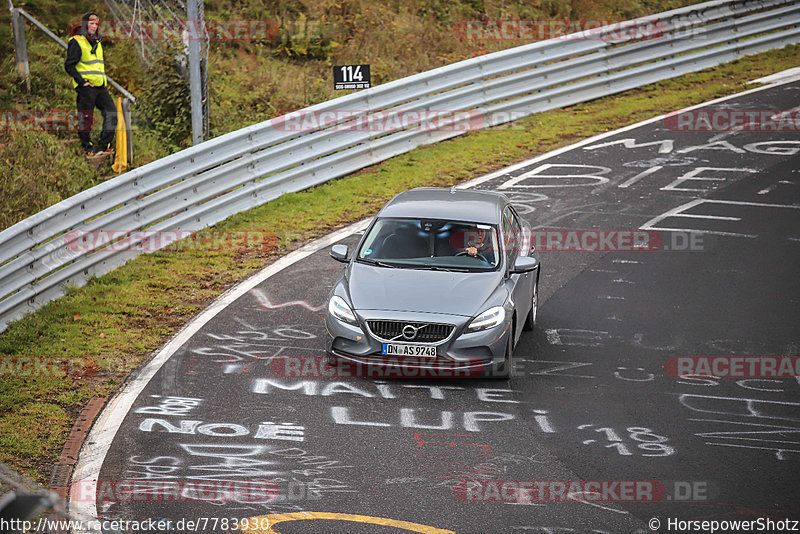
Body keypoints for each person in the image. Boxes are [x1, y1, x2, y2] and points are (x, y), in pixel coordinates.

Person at [64, 12, 117, 156]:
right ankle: (87, 147)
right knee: (86, 117)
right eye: (91, 23)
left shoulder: (97, 42)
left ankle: (104, 145)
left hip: (100, 87)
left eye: (97, 24)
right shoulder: (77, 41)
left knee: (112, 113)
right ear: (85, 24)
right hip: (86, 88)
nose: (94, 26)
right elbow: (69, 65)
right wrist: (82, 82)